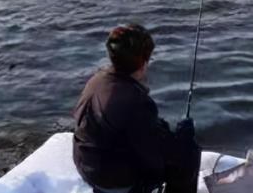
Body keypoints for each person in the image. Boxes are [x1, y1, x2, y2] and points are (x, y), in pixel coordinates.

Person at [73, 24, 201, 193]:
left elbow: (123, 126)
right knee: (187, 156)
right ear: (143, 64)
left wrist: (160, 130)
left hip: (87, 164)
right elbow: (154, 157)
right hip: (112, 178)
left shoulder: (97, 80)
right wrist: (183, 138)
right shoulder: (136, 102)